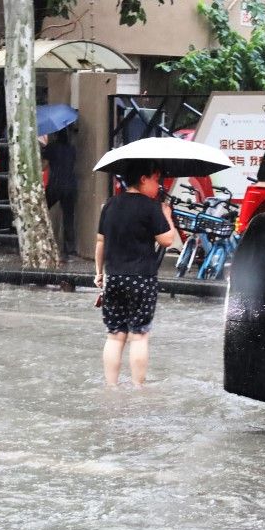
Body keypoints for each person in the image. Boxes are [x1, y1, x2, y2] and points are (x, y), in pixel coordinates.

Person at [94, 160, 175, 387]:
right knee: (138, 336)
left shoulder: (110, 205)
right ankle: (139, 388)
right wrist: (166, 214)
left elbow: (100, 242)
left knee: (114, 335)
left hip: (114, 278)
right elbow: (167, 240)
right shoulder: (150, 207)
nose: (158, 185)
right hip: (142, 278)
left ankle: (111, 387)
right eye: (155, 180)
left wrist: (99, 273)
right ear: (143, 179)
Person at [43, 128, 78, 259]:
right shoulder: (71, 149)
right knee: (69, 217)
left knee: (42, 210)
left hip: (55, 184)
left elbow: (44, 165)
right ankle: (70, 248)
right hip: (70, 185)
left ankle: (45, 239)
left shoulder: (51, 148)